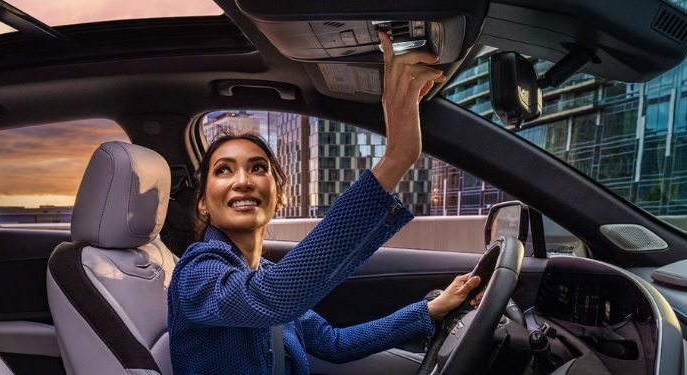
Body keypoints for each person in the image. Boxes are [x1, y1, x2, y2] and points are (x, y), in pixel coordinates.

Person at [167, 33, 483, 374]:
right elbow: (269, 297)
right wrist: (397, 157)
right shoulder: (196, 272)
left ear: (279, 196)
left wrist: (430, 310)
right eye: (223, 170)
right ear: (202, 203)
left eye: (258, 168)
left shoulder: (265, 273)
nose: (243, 180)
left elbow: (333, 343)